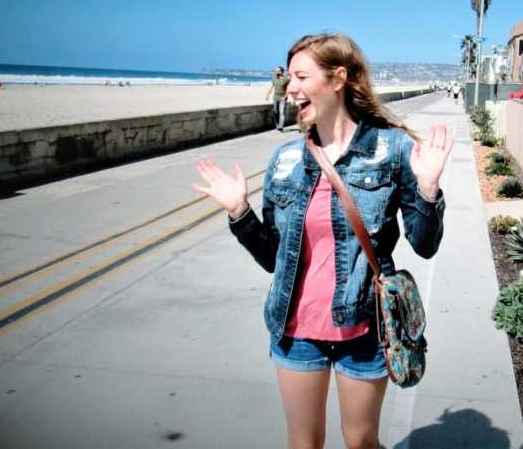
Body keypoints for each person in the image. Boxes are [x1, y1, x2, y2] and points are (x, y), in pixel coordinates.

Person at [194, 33, 453, 449]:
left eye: (301, 76)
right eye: (290, 78)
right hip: (296, 330)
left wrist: (428, 188)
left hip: (366, 328)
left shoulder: (392, 149)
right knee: (303, 443)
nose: (290, 88)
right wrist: (239, 212)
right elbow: (273, 259)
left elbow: (424, 245)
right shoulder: (286, 159)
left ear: (338, 78)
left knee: (361, 442)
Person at [266, 66, 291, 131]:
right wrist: (267, 95)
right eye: (275, 70)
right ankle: (277, 125)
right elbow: (271, 87)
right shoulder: (274, 78)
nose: (276, 72)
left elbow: (288, 89)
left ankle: (281, 126)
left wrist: (285, 96)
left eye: (277, 70)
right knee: (276, 112)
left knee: (282, 112)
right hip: (275, 97)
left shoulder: (286, 79)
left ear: (281, 72)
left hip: (282, 98)